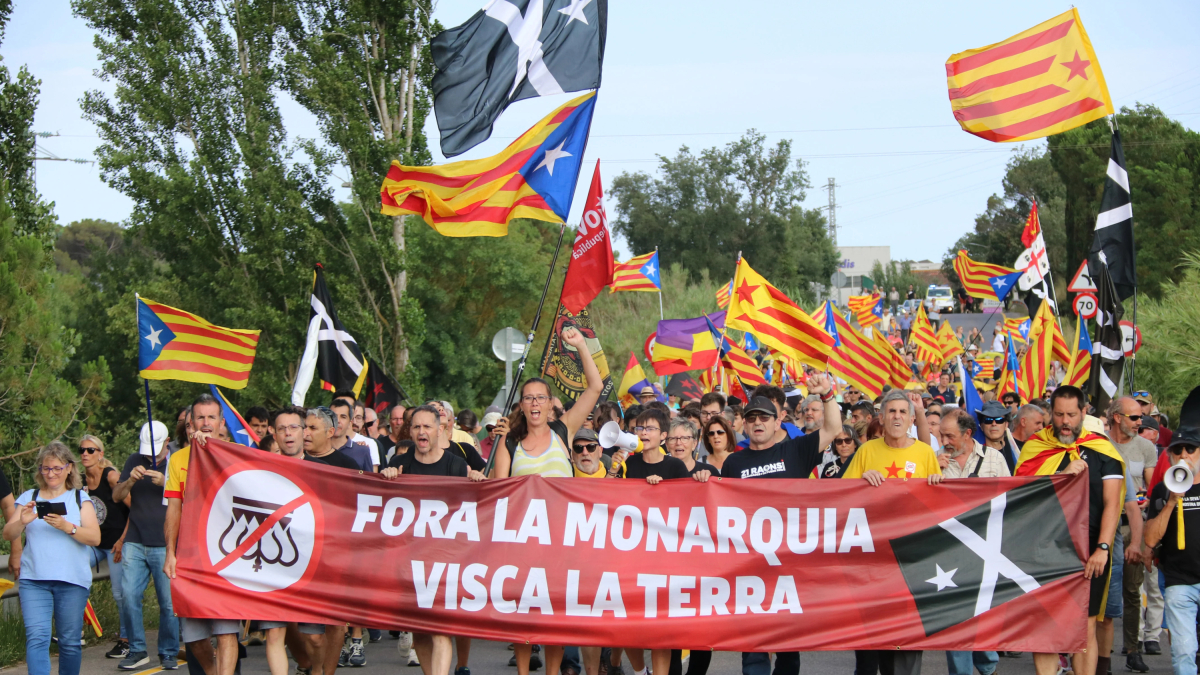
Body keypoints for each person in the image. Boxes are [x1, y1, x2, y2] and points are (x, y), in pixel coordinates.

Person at [703, 374, 840, 675]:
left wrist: (828, 394)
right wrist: (703, 480)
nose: (757, 423)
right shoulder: (733, 464)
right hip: (749, 571)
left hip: (791, 569)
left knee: (789, 653)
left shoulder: (796, 450)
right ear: (744, 424)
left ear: (777, 422)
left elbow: (833, 428)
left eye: (764, 417)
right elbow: (722, 510)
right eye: (751, 418)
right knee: (753, 651)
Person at [490, 326, 602, 675]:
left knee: (555, 615)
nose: (535, 403)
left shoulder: (563, 431)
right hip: (527, 539)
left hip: (564, 539)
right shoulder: (511, 443)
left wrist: (581, 345)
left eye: (541, 397)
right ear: (521, 404)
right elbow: (500, 488)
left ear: (550, 403)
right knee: (526, 615)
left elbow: (595, 387)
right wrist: (499, 445)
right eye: (529, 398)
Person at [1016, 385, 1125, 675]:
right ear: (1051, 413)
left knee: (1085, 626)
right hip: (1043, 550)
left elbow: (1112, 505)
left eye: (1072, 415)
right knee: (1045, 626)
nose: (1066, 422)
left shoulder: (1103, 449)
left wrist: (1103, 548)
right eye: (1060, 414)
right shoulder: (1035, 447)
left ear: (1084, 413)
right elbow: (1021, 498)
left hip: (1090, 550)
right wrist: (1060, 477)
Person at [843, 389, 942, 675]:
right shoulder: (866, 451)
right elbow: (842, 498)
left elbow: (937, 504)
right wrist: (860, 479)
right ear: (882, 418)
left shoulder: (925, 453)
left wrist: (936, 482)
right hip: (875, 560)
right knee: (879, 634)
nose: (897, 416)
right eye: (892, 411)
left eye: (902, 412)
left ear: (912, 418)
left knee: (908, 633)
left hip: (914, 557)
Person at [5, 442, 101, 675]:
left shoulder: (80, 499)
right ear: (40, 470)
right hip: (34, 580)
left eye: (57, 468)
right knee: (37, 638)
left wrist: (68, 527)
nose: (51, 474)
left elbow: (95, 538)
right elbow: (8, 533)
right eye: (46, 468)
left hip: (72, 582)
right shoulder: (30, 497)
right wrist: (23, 521)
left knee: (68, 642)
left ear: (69, 468)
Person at [163, 394, 242, 675]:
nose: (206, 423)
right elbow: (174, 509)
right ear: (190, 422)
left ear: (222, 423)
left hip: (229, 556)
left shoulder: (239, 455)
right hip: (191, 555)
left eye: (211, 417)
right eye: (200, 417)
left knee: (225, 630)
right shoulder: (178, 460)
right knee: (195, 637)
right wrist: (170, 552)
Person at [935, 409, 1006, 675]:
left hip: (985, 550)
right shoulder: (936, 459)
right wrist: (932, 472)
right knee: (955, 618)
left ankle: (988, 665)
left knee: (982, 615)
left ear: (967, 434)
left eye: (950, 435)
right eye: (941, 435)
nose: (944, 441)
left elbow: (1009, 499)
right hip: (949, 551)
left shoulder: (994, 459)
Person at [112, 420, 180, 670]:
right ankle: (138, 649)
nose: (149, 455)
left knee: (168, 602)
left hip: (165, 542)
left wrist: (166, 483)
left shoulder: (178, 460)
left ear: (167, 441)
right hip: (135, 540)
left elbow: (192, 496)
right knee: (129, 595)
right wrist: (129, 481)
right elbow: (117, 496)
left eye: (155, 449)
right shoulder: (133, 460)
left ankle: (169, 651)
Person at [1143, 395, 1200, 675]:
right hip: (1179, 581)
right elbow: (1151, 539)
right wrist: (1170, 503)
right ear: (1170, 455)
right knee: (1184, 650)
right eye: (1178, 450)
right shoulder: (1163, 491)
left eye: (1191, 449)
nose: (1184, 455)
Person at [1105, 397, 1158, 670]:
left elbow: (1152, 486)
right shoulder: (1099, 444)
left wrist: (1147, 498)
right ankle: (1099, 652)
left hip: (1135, 523)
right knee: (1103, 590)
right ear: (1117, 418)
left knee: (1132, 590)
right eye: (1135, 417)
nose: (1141, 422)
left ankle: (1132, 649)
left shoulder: (1147, 447)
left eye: (1141, 417)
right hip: (1105, 525)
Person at [79, 434, 133, 659]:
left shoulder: (111, 476)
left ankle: (126, 640)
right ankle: (74, 632)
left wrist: (123, 540)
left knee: (119, 593)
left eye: (91, 450)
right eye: (82, 449)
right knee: (72, 575)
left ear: (100, 454)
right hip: (94, 542)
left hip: (115, 543)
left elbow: (135, 508)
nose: (85, 454)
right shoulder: (79, 481)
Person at [977, 400, 1020, 473]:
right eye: (988, 420)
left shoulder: (1017, 450)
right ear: (981, 426)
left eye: (999, 420)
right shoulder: (976, 454)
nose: (994, 424)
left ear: (1006, 425)